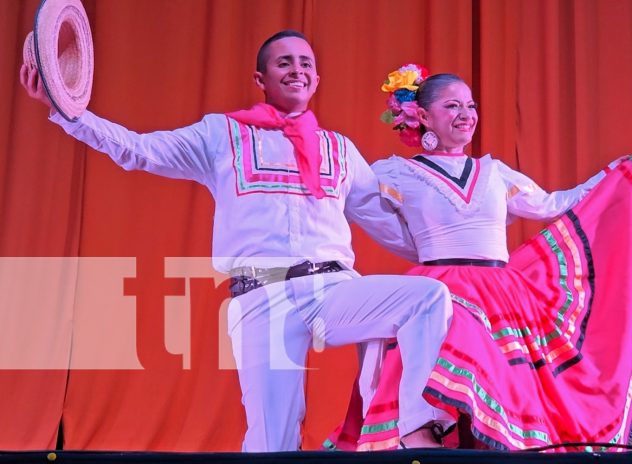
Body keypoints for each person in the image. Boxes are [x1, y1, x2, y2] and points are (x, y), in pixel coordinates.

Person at [19, 32, 458, 452]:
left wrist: (455, 254)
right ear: (260, 79)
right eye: (283, 62)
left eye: (306, 63)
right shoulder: (222, 135)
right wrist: (68, 114)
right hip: (263, 296)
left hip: (333, 289)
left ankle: (415, 426)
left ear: (317, 79)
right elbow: (139, 150)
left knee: (426, 297)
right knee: (273, 440)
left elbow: (384, 222)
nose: (297, 70)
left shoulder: (338, 149)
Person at [326, 66, 632, 451]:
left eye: (470, 105)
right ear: (423, 116)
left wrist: (618, 174)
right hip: (436, 290)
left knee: (500, 389)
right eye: (452, 105)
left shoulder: (494, 172)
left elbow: (553, 204)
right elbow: (360, 207)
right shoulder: (397, 172)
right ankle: (427, 437)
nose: (466, 114)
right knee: (440, 365)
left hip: (500, 295)